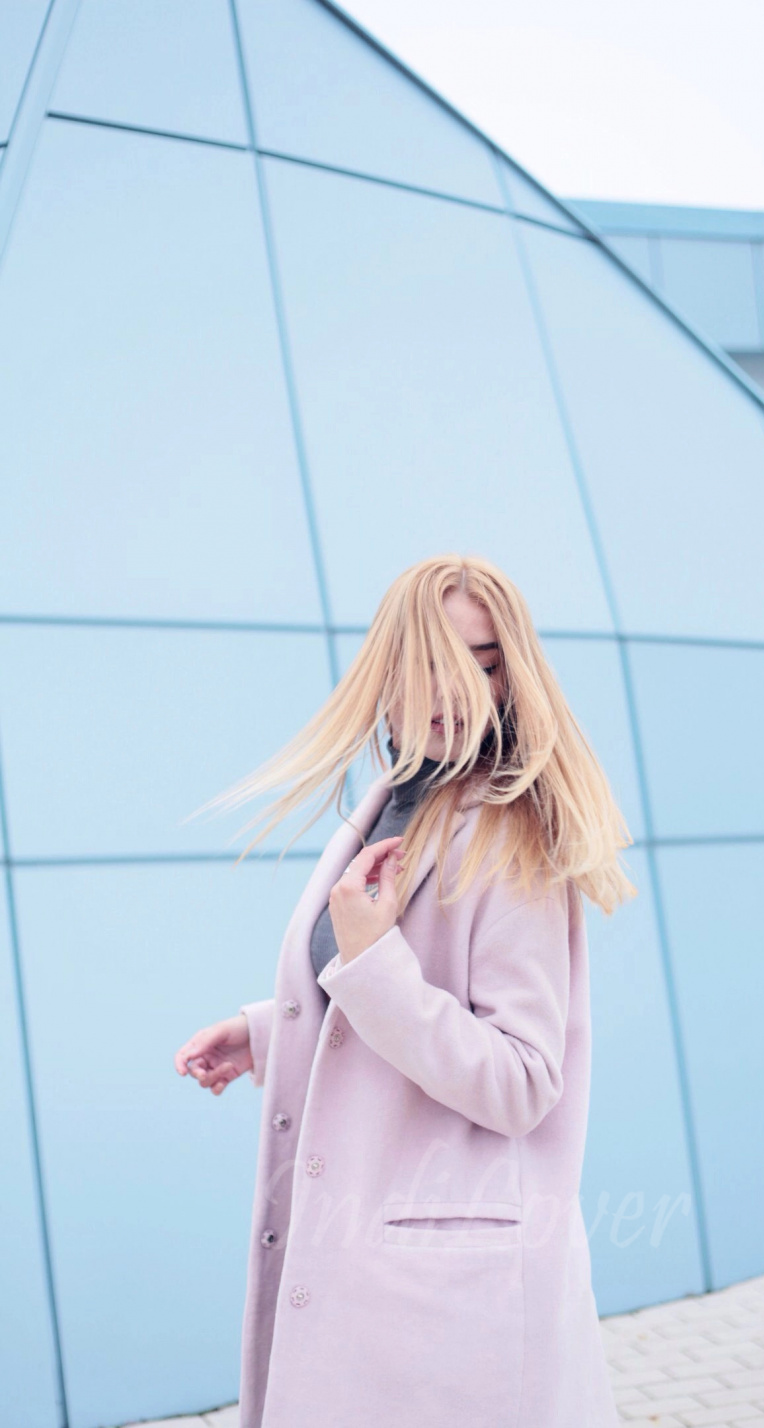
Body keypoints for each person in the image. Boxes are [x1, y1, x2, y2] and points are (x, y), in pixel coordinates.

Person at [174, 553, 636, 1428]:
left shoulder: (508, 834)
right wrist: (270, 1033)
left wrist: (374, 960)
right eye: (435, 663)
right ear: (389, 671)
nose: (459, 691)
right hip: (381, 1290)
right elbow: (388, 1000)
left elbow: (522, 1081)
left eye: (485, 664)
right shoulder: (399, 800)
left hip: (447, 1313)